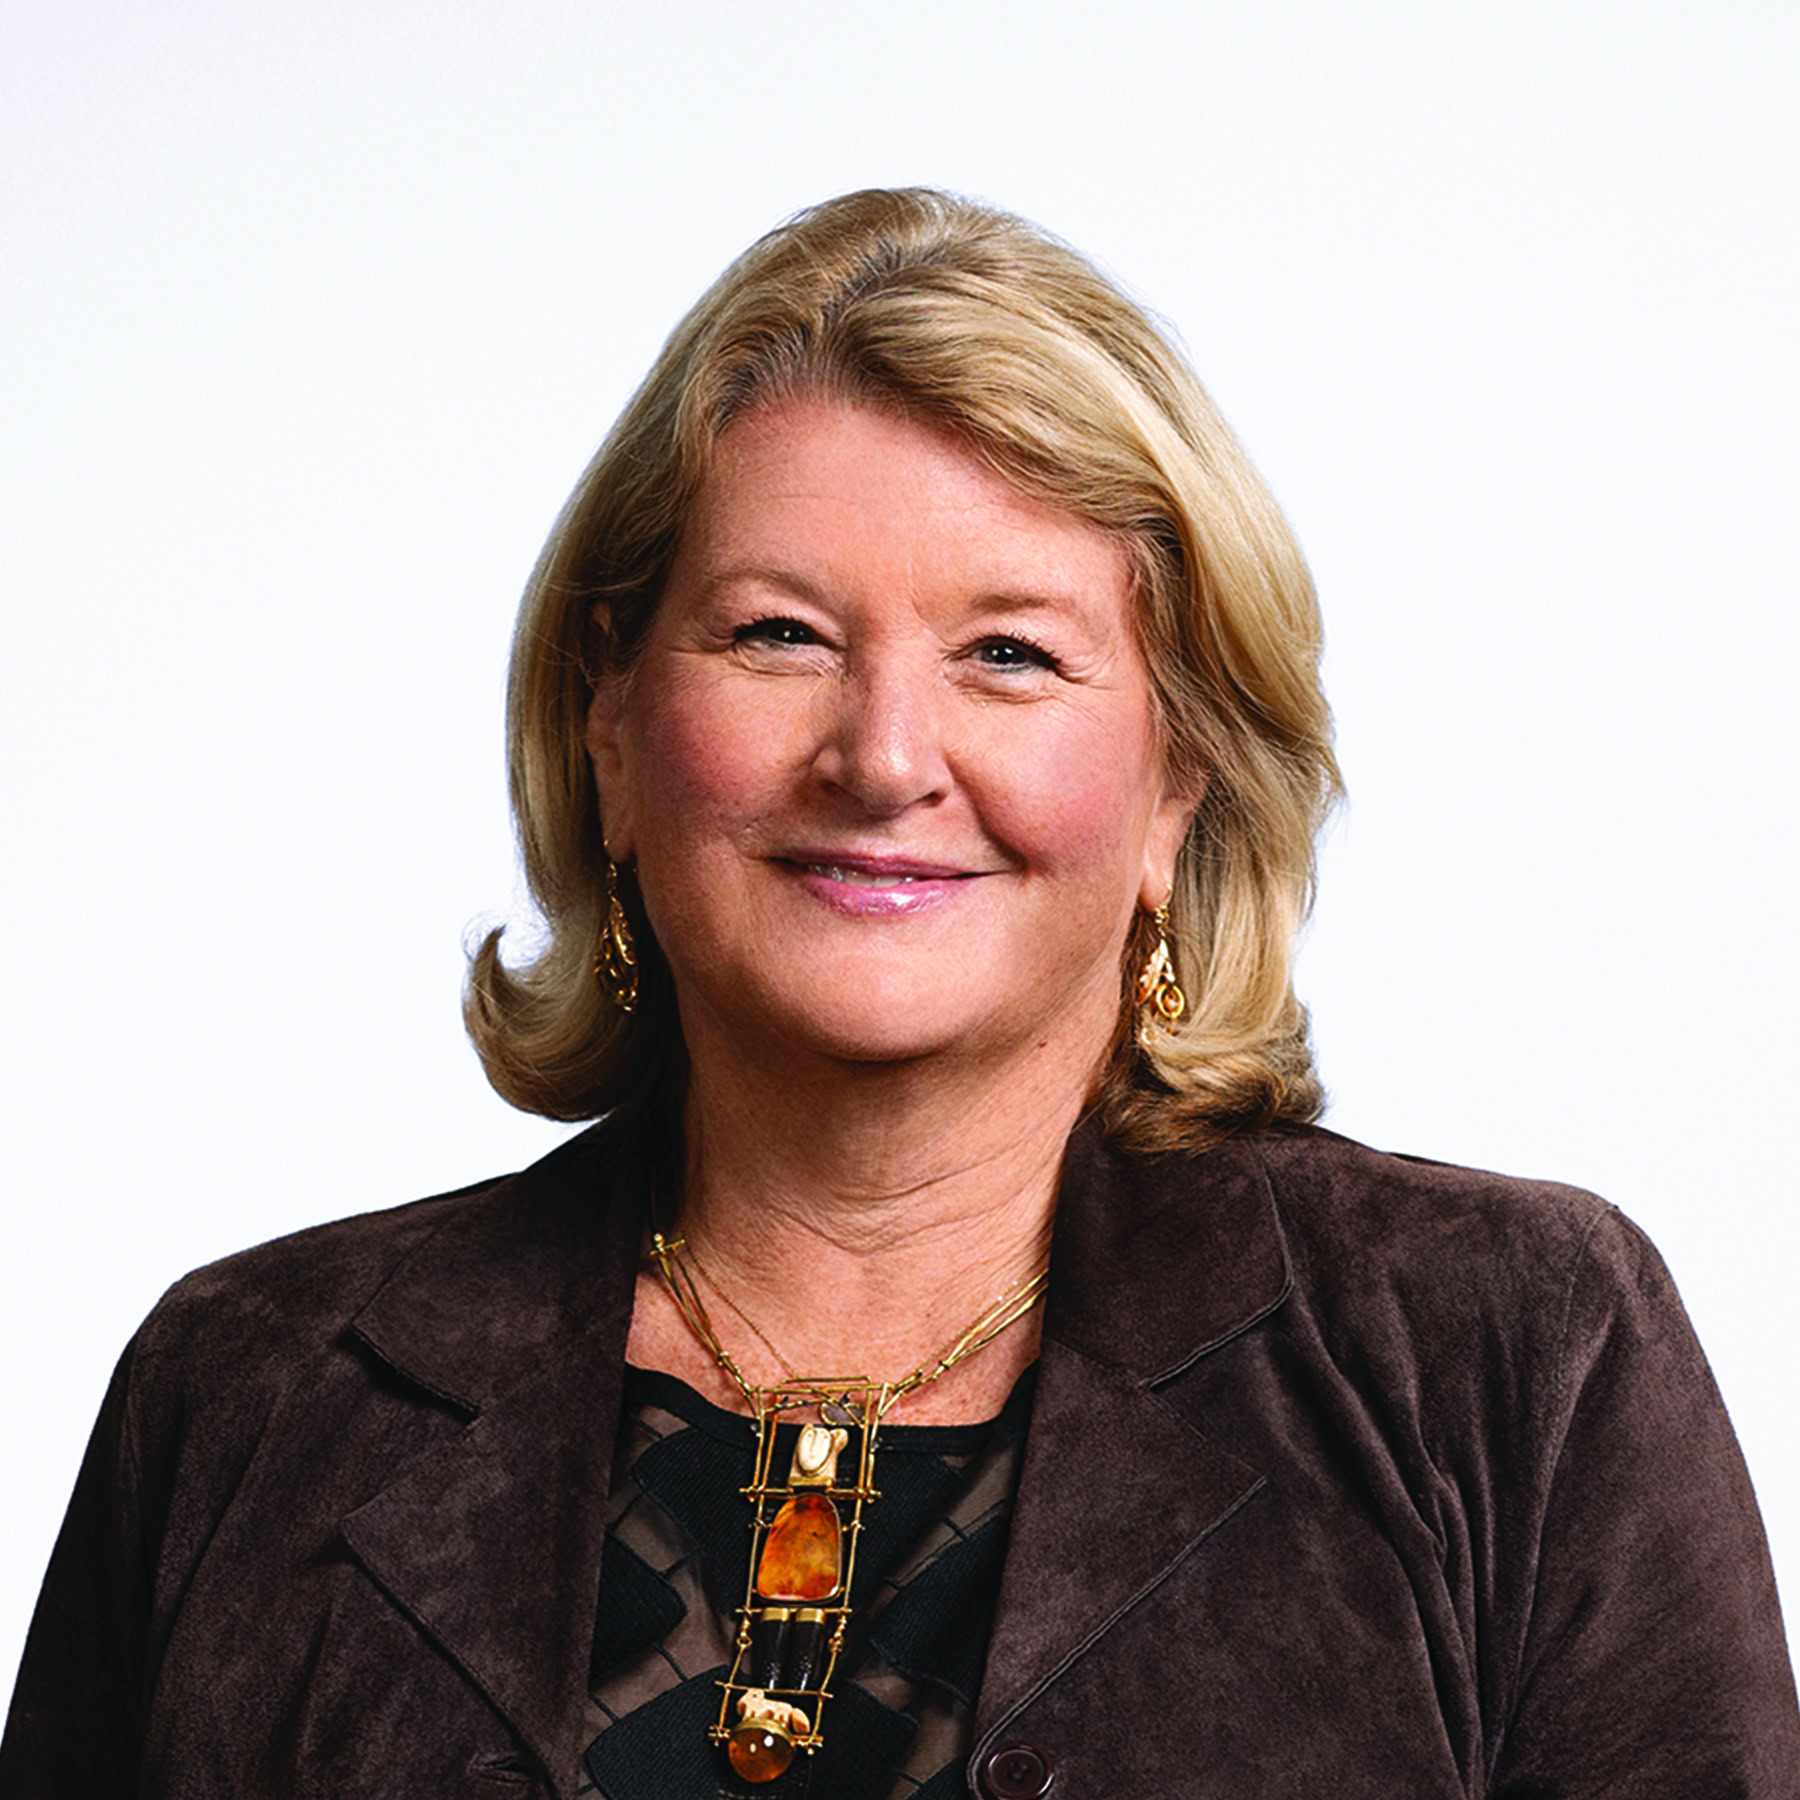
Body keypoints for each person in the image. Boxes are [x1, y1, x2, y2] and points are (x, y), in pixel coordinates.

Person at [3, 187, 1795, 1799]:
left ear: (1180, 785)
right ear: (610, 733)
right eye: (778, 633)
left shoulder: (1509, 1357)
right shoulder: (247, 1390)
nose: (882, 756)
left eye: (1010, 654)